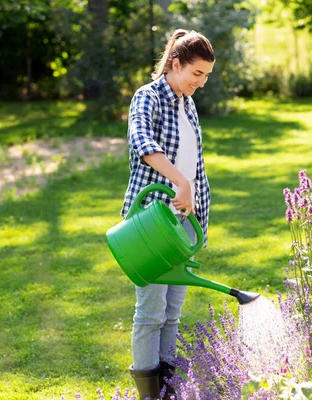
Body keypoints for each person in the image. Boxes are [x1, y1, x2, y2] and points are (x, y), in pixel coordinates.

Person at [120, 29, 215, 400]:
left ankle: (168, 392)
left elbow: (194, 163)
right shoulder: (148, 97)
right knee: (150, 312)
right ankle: (149, 395)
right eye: (196, 73)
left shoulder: (186, 102)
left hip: (185, 224)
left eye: (206, 75)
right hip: (152, 222)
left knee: (172, 312)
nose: (201, 83)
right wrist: (180, 182)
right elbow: (144, 145)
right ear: (175, 64)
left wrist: (198, 211)